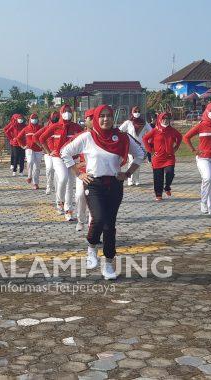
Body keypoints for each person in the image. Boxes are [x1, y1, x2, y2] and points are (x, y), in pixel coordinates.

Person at [61, 105, 144, 280]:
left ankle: (108, 263)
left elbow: (140, 154)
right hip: (94, 184)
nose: (105, 119)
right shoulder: (88, 137)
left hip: (114, 184)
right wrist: (78, 173)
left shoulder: (122, 137)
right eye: (102, 116)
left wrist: (128, 173)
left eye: (109, 116)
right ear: (96, 118)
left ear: (113, 118)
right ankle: (91, 247)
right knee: (98, 219)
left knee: (109, 226)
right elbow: (65, 152)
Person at [38, 105, 83, 221]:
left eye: (69, 111)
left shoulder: (77, 127)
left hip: (72, 159)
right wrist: (48, 152)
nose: (67, 113)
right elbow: (41, 138)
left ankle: (68, 210)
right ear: (61, 112)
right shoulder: (55, 126)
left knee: (70, 183)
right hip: (58, 157)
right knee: (63, 178)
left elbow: (83, 141)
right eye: (65, 111)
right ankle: (59, 201)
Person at [143, 112, 182, 201]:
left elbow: (179, 137)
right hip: (157, 158)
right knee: (158, 177)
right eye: (163, 118)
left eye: (167, 119)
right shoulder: (155, 130)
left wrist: (176, 147)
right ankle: (158, 194)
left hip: (169, 157)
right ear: (160, 119)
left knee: (170, 173)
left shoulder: (172, 130)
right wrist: (151, 151)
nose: (165, 120)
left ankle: (167, 187)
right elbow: (145, 138)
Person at [73, 108, 95, 231]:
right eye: (90, 118)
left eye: (94, 118)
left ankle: (93, 228)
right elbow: (65, 153)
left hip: (98, 173)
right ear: (85, 120)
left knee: (95, 202)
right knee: (80, 195)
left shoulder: (103, 136)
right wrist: (77, 166)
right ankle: (81, 220)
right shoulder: (80, 137)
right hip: (83, 173)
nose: (93, 121)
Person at [118, 106, 152, 186]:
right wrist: (124, 138)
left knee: (138, 163)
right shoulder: (128, 122)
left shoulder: (144, 123)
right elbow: (120, 131)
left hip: (141, 146)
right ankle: (130, 179)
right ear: (132, 112)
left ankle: (136, 179)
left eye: (138, 111)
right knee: (131, 162)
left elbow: (151, 131)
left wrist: (148, 140)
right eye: (135, 111)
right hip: (131, 145)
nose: (137, 113)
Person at [16, 113, 44, 190]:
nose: (34, 119)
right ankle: (29, 176)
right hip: (29, 148)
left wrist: (44, 147)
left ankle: (35, 183)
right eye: (33, 118)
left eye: (35, 118)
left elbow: (45, 137)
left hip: (38, 149)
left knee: (37, 167)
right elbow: (18, 138)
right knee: (30, 161)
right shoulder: (26, 129)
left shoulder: (40, 128)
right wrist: (22, 146)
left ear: (37, 119)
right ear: (30, 119)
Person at [39, 111, 60, 195]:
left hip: (58, 153)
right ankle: (49, 186)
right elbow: (36, 137)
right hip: (48, 154)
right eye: (54, 117)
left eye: (57, 117)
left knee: (57, 171)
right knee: (49, 169)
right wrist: (44, 149)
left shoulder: (61, 128)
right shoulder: (47, 128)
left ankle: (57, 187)